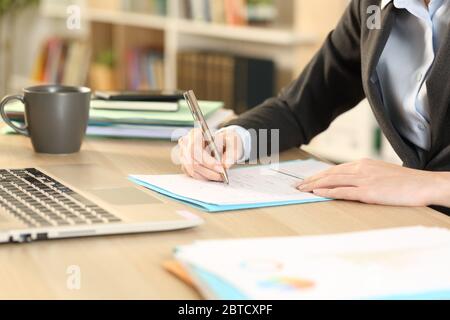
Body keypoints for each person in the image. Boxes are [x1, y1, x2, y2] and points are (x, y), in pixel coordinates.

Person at [178, 0, 450, 213]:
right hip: (418, 220)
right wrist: (234, 138)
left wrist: (431, 185)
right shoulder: (370, 8)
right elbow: (303, 105)